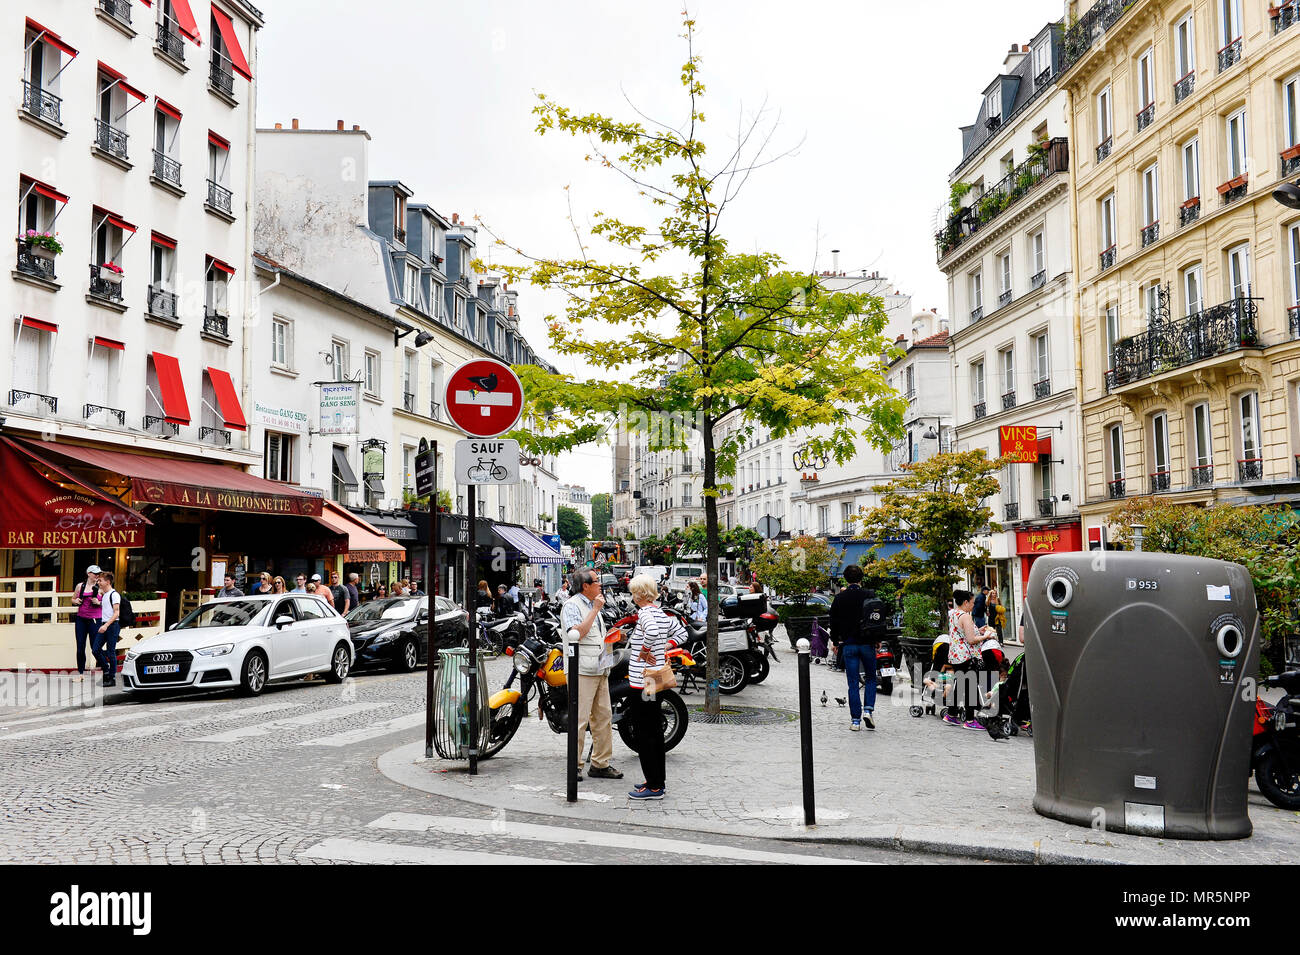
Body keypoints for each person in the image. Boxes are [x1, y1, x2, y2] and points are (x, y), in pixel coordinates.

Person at [559, 569, 621, 781]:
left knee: (603, 717)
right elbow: (576, 633)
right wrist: (595, 610)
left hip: (599, 669)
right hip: (582, 670)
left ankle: (600, 763)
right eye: (596, 582)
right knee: (580, 719)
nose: (600, 585)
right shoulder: (573, 606)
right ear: (585, 586)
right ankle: (574, 765)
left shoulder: (593, 605)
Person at [625, 574, 682, 800]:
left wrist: (645, 652)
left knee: (644, 731)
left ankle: (654, 786)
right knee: (654, 730)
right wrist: (662, 650)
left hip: (643, 680)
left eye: (633, 592)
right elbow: (680, 633)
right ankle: (656, 780)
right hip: (656, 678)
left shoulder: (645, 613)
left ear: (639, 594)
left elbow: (651, 633)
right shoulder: (660, 612)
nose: (632, 596)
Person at [828, 565, 872, 729]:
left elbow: (833, 620)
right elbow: (877, 617)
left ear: (845, 579)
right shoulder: (869, 595)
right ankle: (868, 710)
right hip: (867, 642)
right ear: (861, 578)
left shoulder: (840, 598)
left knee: (853, 683)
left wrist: (834, 641)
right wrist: (878, 638)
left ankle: (855, 721)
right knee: (871, 678)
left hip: (849, 644)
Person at [944, 589, 983, 729]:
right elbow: (971, 639)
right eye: (972, 602)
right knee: (970, 687)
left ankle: (951, 714)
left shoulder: (953, 613)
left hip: (955, 655)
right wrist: (987, 636)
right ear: (966, 602)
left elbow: (961, 632)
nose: (973, 605)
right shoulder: (966, 616)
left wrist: (980, 630)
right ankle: (970, 720)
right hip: (966, 655)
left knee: (960, 685)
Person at [72, 565, 103, 681]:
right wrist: (76, 601)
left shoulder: (101, 586)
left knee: (95, 647)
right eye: (95, 573)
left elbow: (109, 603)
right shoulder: (80, 586)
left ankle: (107, 669)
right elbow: (73, 598)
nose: (97, 576)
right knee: (80, 647)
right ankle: (80, 674)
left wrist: (98, 602)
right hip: (81, 619)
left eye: (98, 574)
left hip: (95, 619)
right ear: (88, 573)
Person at [94, 571, 122, 687]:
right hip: (104, 624)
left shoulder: (114, 595)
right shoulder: (105, 595)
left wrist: (106, 626)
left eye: (100, 580)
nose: (98, 582)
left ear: (108, 582)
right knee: (95, 649)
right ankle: (106, 669)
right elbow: (106, 608)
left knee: (111, 652)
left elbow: (116, 613)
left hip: (112, 625)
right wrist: (99, 602)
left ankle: (111, 678)